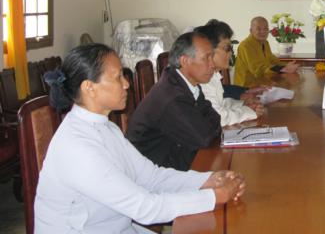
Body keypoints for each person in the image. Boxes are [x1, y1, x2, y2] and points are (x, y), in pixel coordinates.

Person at [35, 43, 245, 233]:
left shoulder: (106, 128)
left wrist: (208, 180)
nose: (126, 84)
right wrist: (215, 196)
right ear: (89, 87)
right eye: (118, 77)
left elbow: (151, 177)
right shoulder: (76, 147)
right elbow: (145, 208)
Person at [126, 32, 223, 171]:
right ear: (184, 61)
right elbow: (204, 138)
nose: (212, 64)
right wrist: (207, 124)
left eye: (212, 57)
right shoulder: (172, 96)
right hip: (152, 172)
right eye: (206, 58)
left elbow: (214, 118)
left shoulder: (184, 83)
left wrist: (207, 124)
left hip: (174, 157)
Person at [195, 21, 266, 126]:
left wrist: (242, 104)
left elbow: (221, 104)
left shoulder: (213, 76)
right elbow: (217, 117)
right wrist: (248, 111)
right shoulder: (202, 79)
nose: (230, 53)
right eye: (227, 48)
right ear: (208, 50)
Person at [234, 16, 300, 87]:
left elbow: (272, 60)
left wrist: (286, 65)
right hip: (246, 87)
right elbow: (258, 69)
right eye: (258, 29)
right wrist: (283, 69)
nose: (263, 32)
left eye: (265, 29)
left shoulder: (265, 43)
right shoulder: (245, 46)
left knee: (291, 87)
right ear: (251, 30)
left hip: (263, 83)